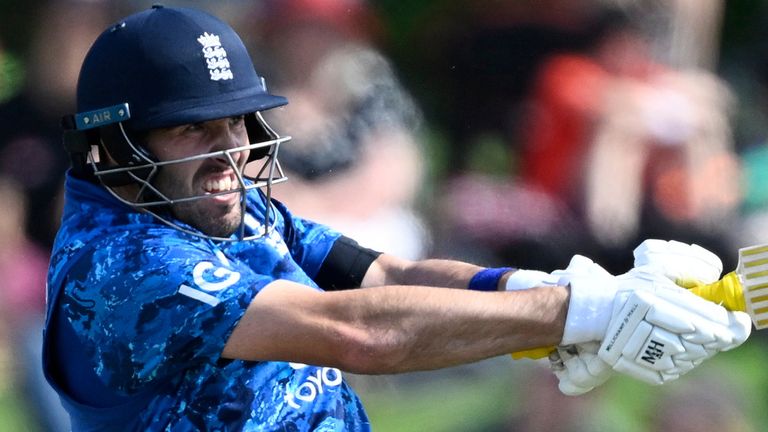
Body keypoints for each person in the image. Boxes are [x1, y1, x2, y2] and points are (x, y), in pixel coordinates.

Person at [42, 6, 751, 431]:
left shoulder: (221, 208)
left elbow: (384, 273)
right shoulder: (122, 267)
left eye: (235, 123)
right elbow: (358, 332)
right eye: (192, 131)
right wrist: (573, 314)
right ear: (110, 148)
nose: (229, 149)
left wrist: (538, 290)